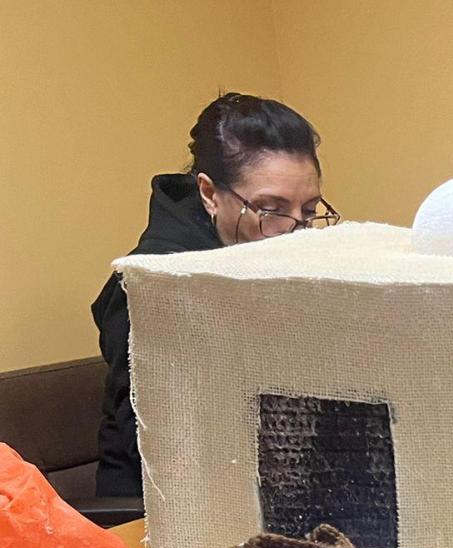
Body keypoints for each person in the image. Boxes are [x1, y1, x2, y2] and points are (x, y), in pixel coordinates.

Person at [93, 93, 336, 498]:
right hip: (154, 504)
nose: (294, 231)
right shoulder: (153, 283)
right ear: (209, 193)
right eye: (271, 209)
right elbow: (157, 442)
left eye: (309, 211)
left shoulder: (269, 258)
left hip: (263, 481)